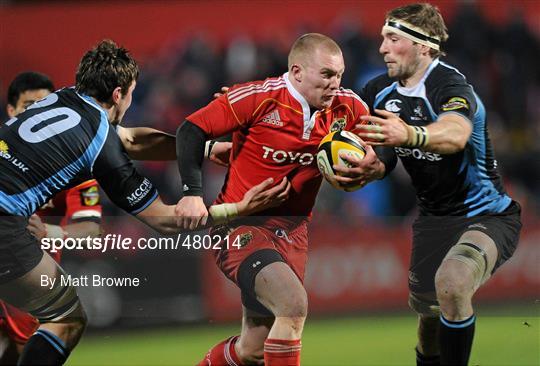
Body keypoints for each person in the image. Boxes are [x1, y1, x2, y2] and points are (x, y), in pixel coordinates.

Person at [0, 40, 288, 365]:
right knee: (65, 319)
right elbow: (165, 219)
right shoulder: (100, 143)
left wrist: (204, 150)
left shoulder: (63, 98)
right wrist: (241, 208)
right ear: (119, 93)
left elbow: (132, 139)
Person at [176, 33, 393, 366]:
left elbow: (386, 151)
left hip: (293, 233)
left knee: (253, 349)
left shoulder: (348, 108)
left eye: (339, 75)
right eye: (326, 75)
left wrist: (375, 167)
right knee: (292, 306)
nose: (335, 84)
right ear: (297, 72)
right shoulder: (258, 98)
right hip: (241, 225)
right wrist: (192, 193)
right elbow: (190, 130)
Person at [339, 4, 522, 365]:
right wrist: (372, 167)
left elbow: (455, 133)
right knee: (430, 320)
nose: (382, 48)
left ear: (424, 46)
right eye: (382, 39)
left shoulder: (450, 85)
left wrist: (408, 132)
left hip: (487, 216)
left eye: (393, 39)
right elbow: (386, 152)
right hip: (433, 222)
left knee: (452, 284)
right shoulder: (377, 90)